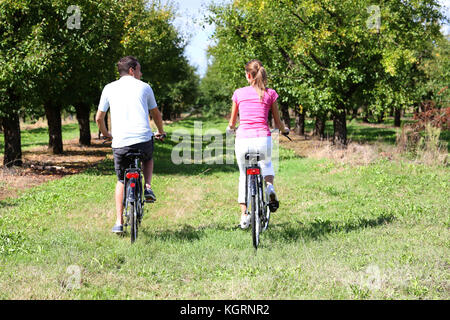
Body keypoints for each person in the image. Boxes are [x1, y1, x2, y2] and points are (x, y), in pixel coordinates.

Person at [96, 56, 166, 233]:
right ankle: (148, 187)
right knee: (148, 158)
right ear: (132, 70)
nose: (141, 74)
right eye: (139, 70)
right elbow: (156, 114)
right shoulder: (145, 87)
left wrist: (107, 135)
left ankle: (119, 222)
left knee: (121, 180)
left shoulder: (109, 88)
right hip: (143, 139)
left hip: (120, 143)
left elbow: (98, 117)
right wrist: (160, 131)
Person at [227, 59, 289, 229]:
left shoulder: (239, 93)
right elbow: (277, 123)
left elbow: (232, 123)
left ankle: (244, 214)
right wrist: (285, 130)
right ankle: (269, 187)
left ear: (248, 75)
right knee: (267, 165)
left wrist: (230, 129)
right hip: (263, 139)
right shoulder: (270, 94)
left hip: (243, 140)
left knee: (243, 174)